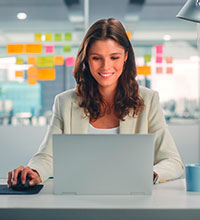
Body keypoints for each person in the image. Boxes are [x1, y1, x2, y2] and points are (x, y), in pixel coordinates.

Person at [7, 18, 184, 188]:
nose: (106, 67)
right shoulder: (65, 102)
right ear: (86, 59)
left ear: (125, 56)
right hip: (78, 199)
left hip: (133, 198)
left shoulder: (148, 100)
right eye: (96, 58)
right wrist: (34, 171)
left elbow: (173, 161)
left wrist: (151, 174)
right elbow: (47, 157)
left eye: (114, 57)